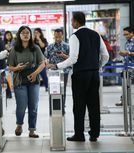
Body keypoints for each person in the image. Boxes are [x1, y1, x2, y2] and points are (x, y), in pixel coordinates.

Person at [47, 12, 109, 142]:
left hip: (80, 75)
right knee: (94, 104)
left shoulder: (75, 36)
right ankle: (94, 134)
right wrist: (97, 66)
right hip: (94, 74)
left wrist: (57, 66)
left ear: (76, 21)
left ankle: (79, 134)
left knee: (79, 105)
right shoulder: (96, 34)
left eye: (71, 21)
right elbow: (106, 56)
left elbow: (73, 58)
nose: (71, 23)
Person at [8, 26, 45, 138]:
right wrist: (17, 68)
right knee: (21, 106)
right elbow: (10, 67)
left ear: (30, 35)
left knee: (33, 106)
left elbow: (42, 63)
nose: (25, 35)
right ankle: (19, 124)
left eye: (27, 33)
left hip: (33, 79)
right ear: (19, 35)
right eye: (23, 33)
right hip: (19, 80)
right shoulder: (14, 49)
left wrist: (35, 74)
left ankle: (32, 130)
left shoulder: (36, 48)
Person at [45, 28, 70, 107]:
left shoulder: (67, 46)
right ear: (54, 36)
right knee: (53, 88)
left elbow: (72, 59)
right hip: (53, 72)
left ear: (62, 36)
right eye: (56, 37)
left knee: (63, 89)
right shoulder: (49, 47)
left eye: (59, 36)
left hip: (64, 71)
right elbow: (45, 58)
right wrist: (47, 64)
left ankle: (62, 106)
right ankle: (53, 106)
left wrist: (63, 55)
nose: (58, 38)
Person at [115, 26, 134, 106]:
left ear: (132, 33)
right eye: (124, 35)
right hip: (127, 66)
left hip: (133, 65)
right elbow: (127, 54)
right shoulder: (127, 43)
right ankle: (124, 100)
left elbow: (129, 53)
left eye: (127, 34)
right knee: (125, 84)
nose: (125, 36)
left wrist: (128, 53)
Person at [0, 29, 12, 98]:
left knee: (1, 79)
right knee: (3, 79)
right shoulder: (1, 41)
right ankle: (8, 93)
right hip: (1, 64)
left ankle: (6, 93)